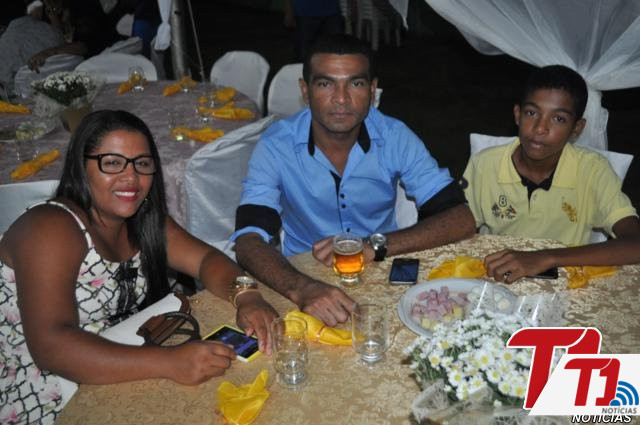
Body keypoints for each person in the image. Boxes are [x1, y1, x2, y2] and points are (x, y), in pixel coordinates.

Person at [0, 110, 278, 424]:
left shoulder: (142, 220)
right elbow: (50, 345)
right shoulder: (50, 227)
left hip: (115, 359)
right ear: (81, 166)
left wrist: (247, 296)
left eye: (142, 164)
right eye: (112, 163)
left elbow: (205, 260)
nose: (130, 178)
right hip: (40, 390)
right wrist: (169, 362)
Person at [231, 34, 476, 327]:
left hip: (382, 271)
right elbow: (248, 240)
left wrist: (376, 245)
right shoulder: (276, 145)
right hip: (303, 275)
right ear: (305, 90)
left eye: (355, 84)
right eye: (326, 84)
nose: (341, 99)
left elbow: (461, 219)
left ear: (372, 90)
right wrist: (302, 287)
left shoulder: (394, 136)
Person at [462, 65, 640, 283]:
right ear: (517, 115)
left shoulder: (593, 171)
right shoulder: (485, 164)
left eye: (558, 119)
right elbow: (459, 225)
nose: (540, 128)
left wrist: (546, 257)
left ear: (577, 128)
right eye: (532, 113)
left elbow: (635, 243)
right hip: (496, 281)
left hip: (563, 286)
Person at [26, 0, 119, 73]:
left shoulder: (82, 5)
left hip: (106, 60)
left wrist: (49, 53)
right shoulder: (44, 11)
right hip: (76, 65)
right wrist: (53, 17)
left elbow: (84, 45)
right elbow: (60, 38)